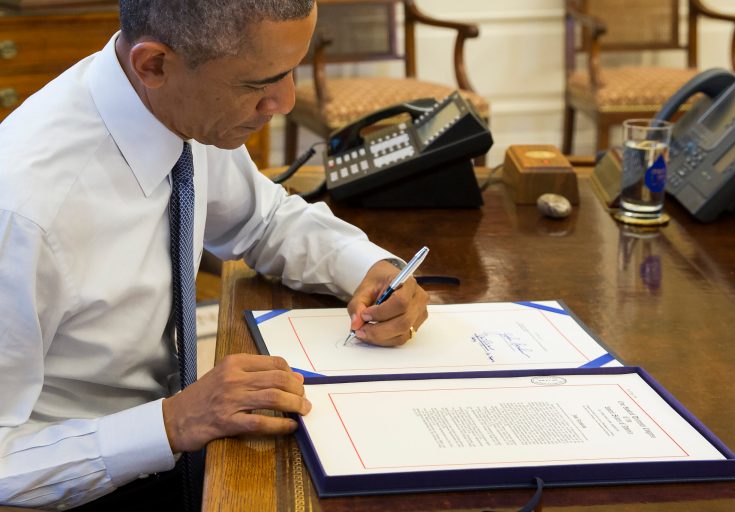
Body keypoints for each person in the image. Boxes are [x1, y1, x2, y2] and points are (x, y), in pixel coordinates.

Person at [0, 0, 428, 510]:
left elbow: (261, 219)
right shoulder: (25, 213)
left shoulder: (178, 111)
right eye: (257, 85)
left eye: (291, 70)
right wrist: (174, 422)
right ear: (154, 64)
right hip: (80, 483)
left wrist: (370, 268)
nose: (286, 101)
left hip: (178, 444)